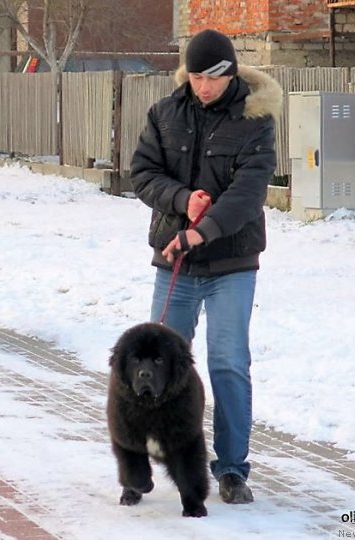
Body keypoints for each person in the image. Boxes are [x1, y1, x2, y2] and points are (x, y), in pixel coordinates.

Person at [129, 28, 282, 504]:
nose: (203, 87)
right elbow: (143, 173)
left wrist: (202, 228)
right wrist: (181, 199)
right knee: (154, 362)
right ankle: (144, 456)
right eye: (195, 77)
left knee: (227, 362)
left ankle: (232, 469)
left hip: (231, 264)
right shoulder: (165, 113)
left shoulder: (255, 121)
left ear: (230, 72)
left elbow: (247, 193)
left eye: (212, 77)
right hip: (173, 262)